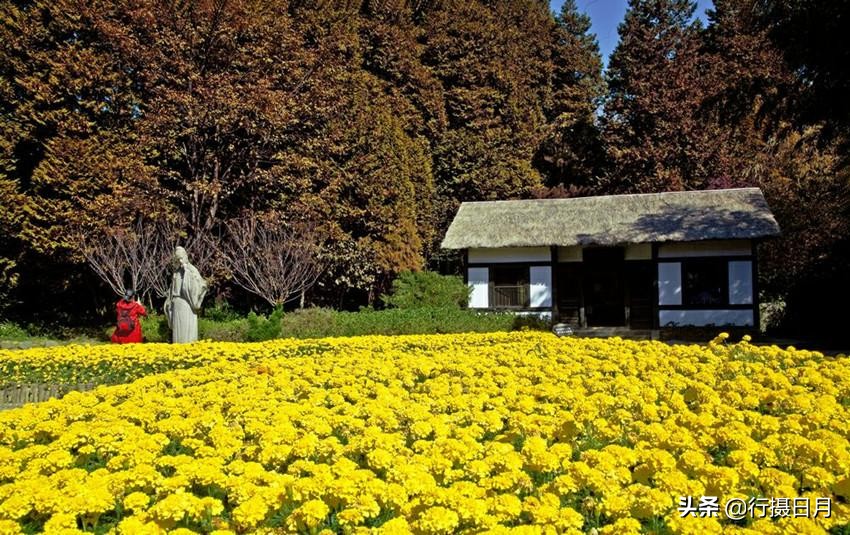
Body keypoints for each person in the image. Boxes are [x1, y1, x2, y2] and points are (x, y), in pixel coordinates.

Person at [164, 246, 208, 343]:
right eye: (177, 258)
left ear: (185, 256)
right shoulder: (176, 272)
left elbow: (200, 284)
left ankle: (188, 348)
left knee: (186, 329)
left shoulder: (191, 269)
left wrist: (186, 273)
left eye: (181, 258)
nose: (179, 260)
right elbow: (172, 289)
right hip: (176, 303)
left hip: (186, 303)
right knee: (177, 330)